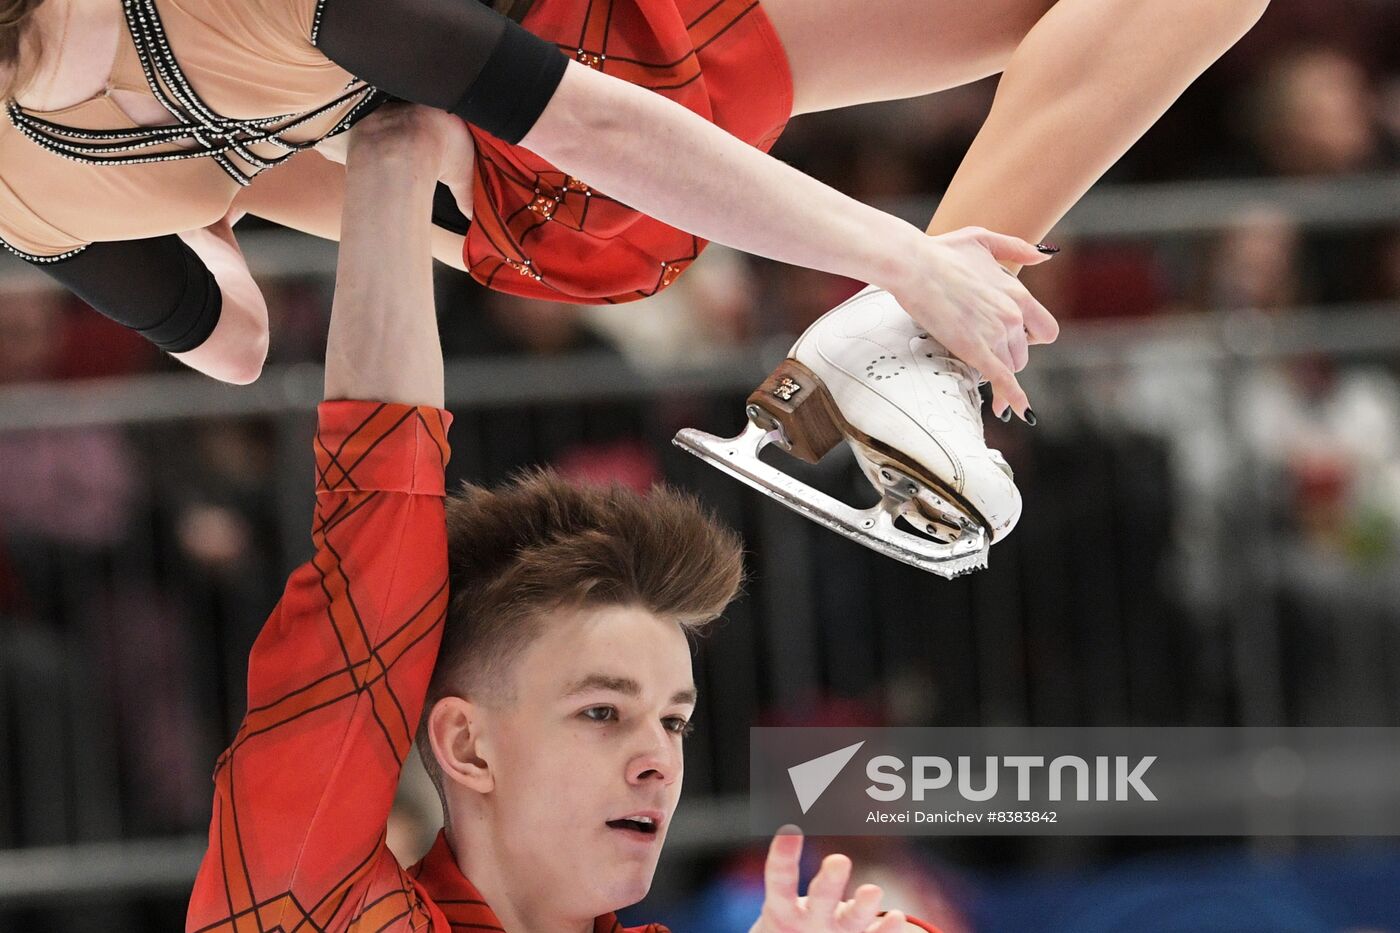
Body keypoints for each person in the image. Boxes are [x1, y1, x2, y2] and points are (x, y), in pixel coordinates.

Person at [185, 103, 942, 933]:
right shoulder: (310, 908)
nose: (659, 760)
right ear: (469, 745)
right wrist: (400, 155)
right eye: (602, 712)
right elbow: (376, 521)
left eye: (674, 719)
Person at [0, 0, 1271, 422]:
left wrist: (221, 197)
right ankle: (903, 339)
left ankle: (900, 356)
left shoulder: (17, 188)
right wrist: (902, 255)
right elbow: (592, 122)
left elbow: (229, 348)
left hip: (532, 214)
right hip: (599, 79)